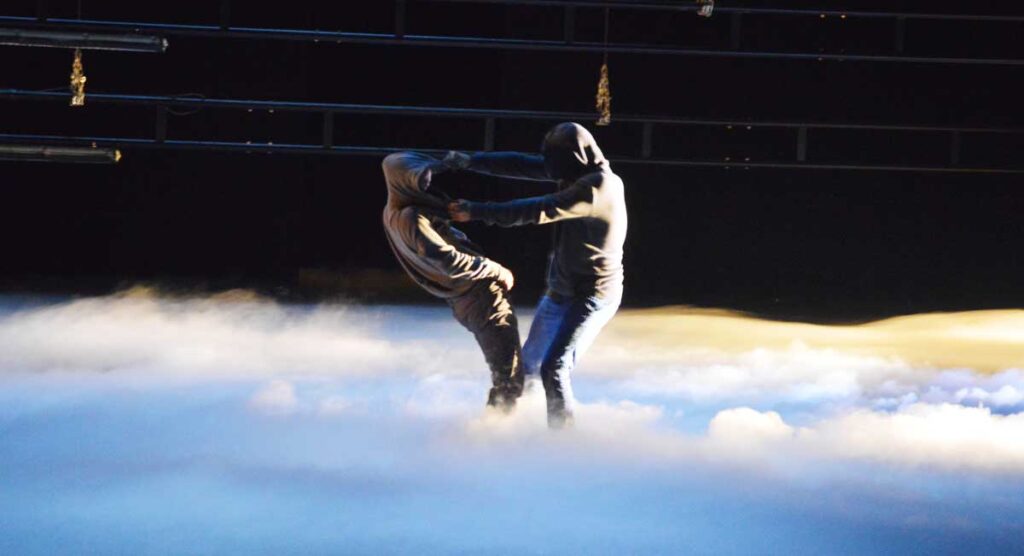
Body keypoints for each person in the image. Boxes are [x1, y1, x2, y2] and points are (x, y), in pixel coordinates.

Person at [446, 122, 627, 428]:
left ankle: (562, 443)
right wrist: (471, 161)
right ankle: (497, 429)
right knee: (524, 367)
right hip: (561, 292)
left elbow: (539, 209)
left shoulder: (598, 187)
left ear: (574, 157)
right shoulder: (576, 171)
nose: (550, 170)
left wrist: (477, 211)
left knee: (554, 367)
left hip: (593, 296)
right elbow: (522, 164)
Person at [381, 151, 524, 412]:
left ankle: (498, 434)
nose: (428, 183)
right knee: (509, 380)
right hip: (479, 296)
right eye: (420, 179)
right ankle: (496, 439)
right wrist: (494, 269)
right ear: (405, 181)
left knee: (508, 372)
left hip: (469, 296)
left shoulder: (397, 212)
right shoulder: (411, 217)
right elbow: (446, 260)